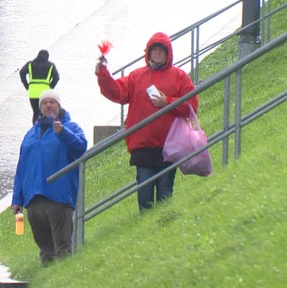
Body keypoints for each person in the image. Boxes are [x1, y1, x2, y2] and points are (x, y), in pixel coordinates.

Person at [95, 32, 199, 213]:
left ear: (168, 53)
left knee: (165, 194)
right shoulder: (136, 77)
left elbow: (191, 105)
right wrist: (103, 76)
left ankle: (163, 227)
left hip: (170, 147)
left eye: (161, 50)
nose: (157, 53)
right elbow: (117, 92)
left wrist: (166, 101)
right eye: (154, 49)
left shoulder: (179, 76)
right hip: (142, 148)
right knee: (144, 196)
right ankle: (148, 227)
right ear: (148, 53)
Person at [11, 89, 87, 266]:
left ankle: (65, 279)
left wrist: (63, 133)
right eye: (45, 103)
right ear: (40, 108)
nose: (48, 105)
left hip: (59, 196)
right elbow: (21, 168)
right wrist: (17, 199)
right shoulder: (30, 134)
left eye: (52, 102)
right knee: (45, 249)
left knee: (63, 247)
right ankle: (47, 277)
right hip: (34, 200)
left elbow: (80, 147)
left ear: (59, 106)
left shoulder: (71, 127)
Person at [19, 50, 60, 124]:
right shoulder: (50, 65)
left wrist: (27, 85)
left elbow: (22, 72)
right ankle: (44, 129)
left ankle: (35, 129)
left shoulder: (30, 64)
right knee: (44, 113)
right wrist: (50, 88)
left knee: (35, 112)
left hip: (33, 92)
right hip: (45, 93)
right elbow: (56, 78)